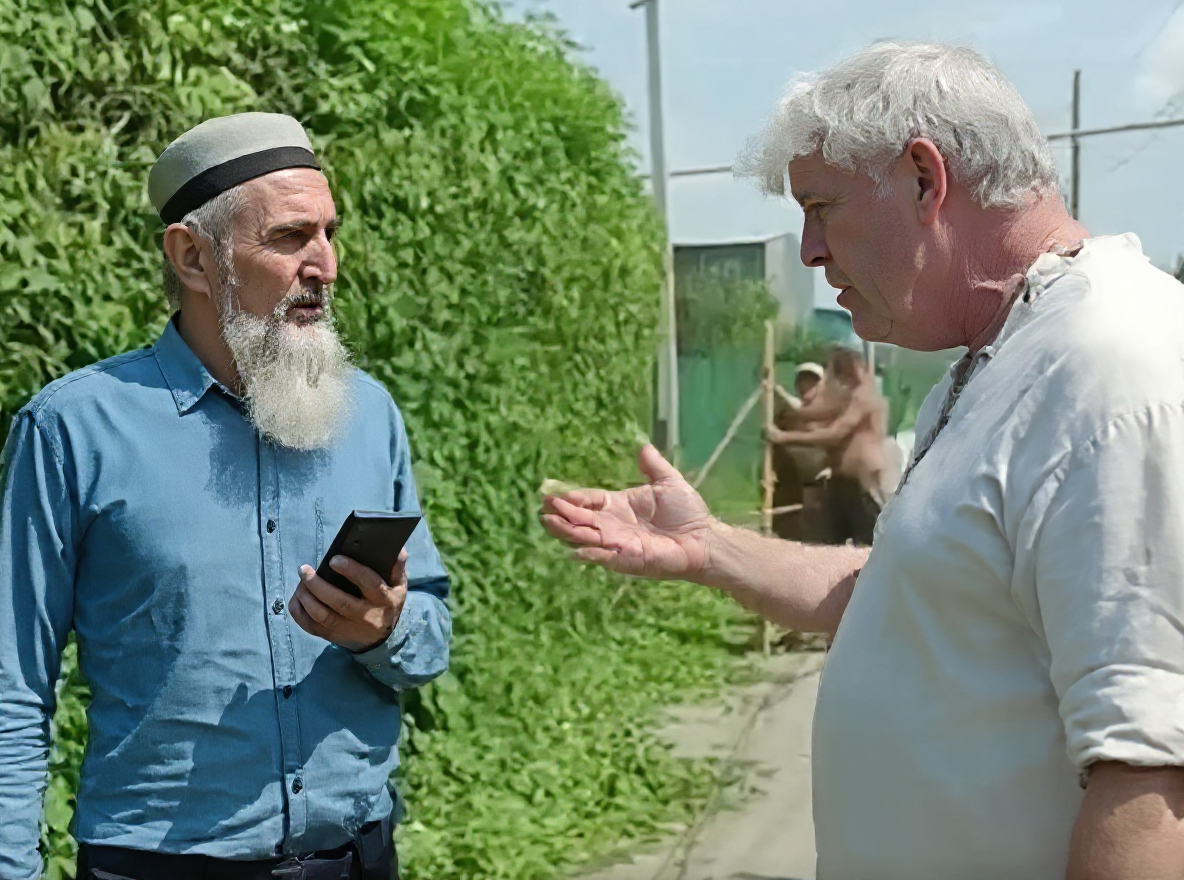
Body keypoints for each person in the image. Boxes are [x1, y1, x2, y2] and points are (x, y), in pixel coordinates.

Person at [541, 41, 1184, 879]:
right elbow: (907, 596)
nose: (810, 250)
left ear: (924, 179)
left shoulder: (1111, 365)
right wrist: (707, 547)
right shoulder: (999, 360)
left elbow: (1152, 774)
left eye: (821, 207)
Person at [0, 113, 451, 880]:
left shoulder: (369, 414)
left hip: (358, 857)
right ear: (193, 257)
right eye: (289, 237)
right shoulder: (73, 430)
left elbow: (430, 638)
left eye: (330, 233)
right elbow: (12, 686)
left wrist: (384, 628)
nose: (325, 264)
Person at [768, 348, 888, 546]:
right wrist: (785, 405)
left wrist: (785, 437)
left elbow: (835, 434)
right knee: (828, 540)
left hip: (863, 482)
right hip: (840, 481)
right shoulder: (849, 398)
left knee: (868, 540)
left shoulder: (864, 397)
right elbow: (818, 412)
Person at [770, 362, 826, 541]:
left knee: (813, 527)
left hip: (821, 479)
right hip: (791, 480)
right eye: (803, 380)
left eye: (813, 382)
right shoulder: (789, 412)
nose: (806, 385)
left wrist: (776, 390)